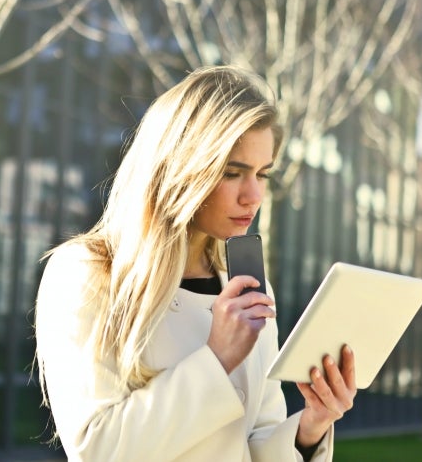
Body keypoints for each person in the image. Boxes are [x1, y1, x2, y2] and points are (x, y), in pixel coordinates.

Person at [34, 65, 356, 461]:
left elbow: (255, 440)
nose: (253, 195)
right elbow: (98, 448)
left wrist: (309, 430)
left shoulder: (248, 284)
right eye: (233, 172)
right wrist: (217, 359)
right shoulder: (88, 273)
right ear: (182, 168)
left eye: (262, 174)